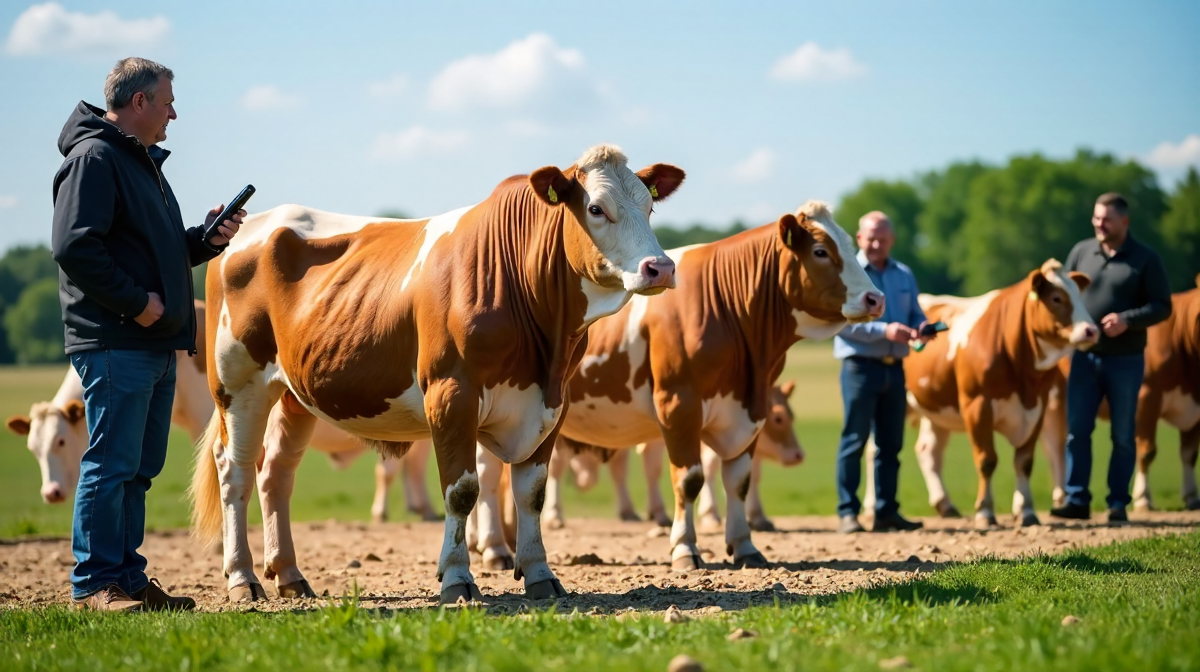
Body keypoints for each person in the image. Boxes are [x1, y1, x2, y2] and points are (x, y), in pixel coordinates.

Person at [50, 57, 244, 611]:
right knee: (112, 465)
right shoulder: (94, 159)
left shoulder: (137, 164)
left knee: (136, 470)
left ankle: (128, 578)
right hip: (117, 340)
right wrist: (136, 304)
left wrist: (205, 240)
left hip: (153, 342)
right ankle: (95, 584)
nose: (173, 115)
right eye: (167, 103)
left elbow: (154, 254)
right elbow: (75, 247)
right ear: (139, 102)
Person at [1051, 193, 1171, 523]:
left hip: (1126, 361)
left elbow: (1163, 306)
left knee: (1122, 435)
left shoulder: (1146, 259)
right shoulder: (1081, 252)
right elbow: (1066, 295)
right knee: (1077, 431)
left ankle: (1117, 503)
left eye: (1106, 219)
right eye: (1096, 217)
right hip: (1083, 359)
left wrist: (1127, 320)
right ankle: (1077, 500)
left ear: (1124, 222)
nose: (1099, 224)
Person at [832, 212, 934, 534]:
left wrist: (922, 327)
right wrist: (885, 331)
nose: (877, 244)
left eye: (883, 239)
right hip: (860, 368)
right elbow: (841, 322)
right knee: (855, 440)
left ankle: (886, 511)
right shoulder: (846, 272)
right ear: (859, 238)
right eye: (871, 238)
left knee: (891, 445)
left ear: (892, 241)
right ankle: (848, 512)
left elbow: (915, 312)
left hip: (896, 369)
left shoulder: (904, 274)